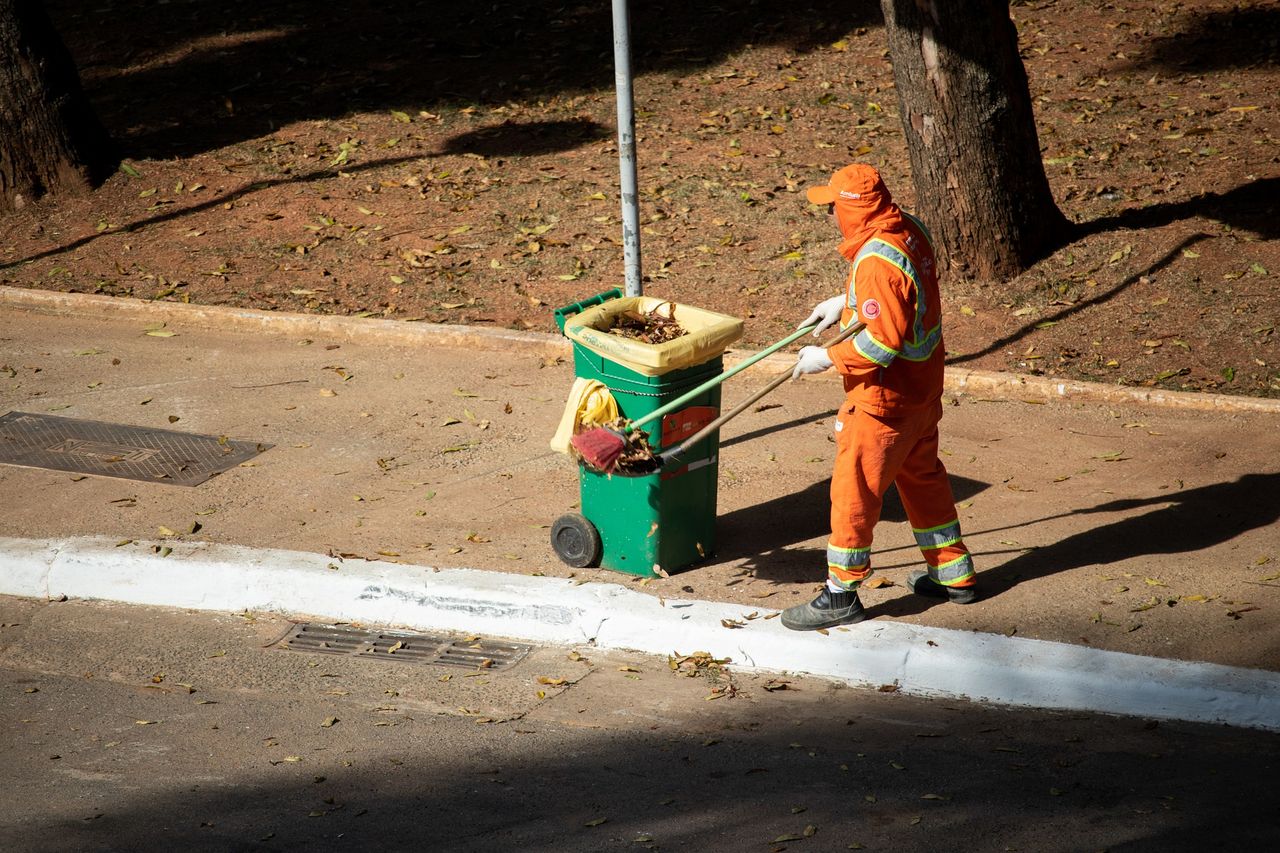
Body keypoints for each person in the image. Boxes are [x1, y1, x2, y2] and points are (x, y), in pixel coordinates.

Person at [781, 163, 976, 631]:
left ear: (852, 210)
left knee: (854, 490)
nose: (830, 215)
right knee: (922, 476)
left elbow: (879, 343)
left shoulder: (874, 261)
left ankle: (840, 593)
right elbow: (902, 296)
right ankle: (954, 573)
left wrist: (827, 358)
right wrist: (843, 304)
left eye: (833, 207)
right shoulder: (908, 228)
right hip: (923, 388)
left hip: (884, 400)